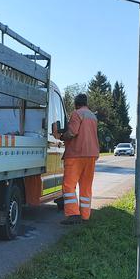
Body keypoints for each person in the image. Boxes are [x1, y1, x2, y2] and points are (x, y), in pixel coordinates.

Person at [52, 93, 99, 225]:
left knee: (68, 185)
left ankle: (73, 214)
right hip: (91, 155)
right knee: (86, 187)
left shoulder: (77, 113)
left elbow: (72, 132)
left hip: (76, 154)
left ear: (76, 103)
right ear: (86, 103)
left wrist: (61, 136)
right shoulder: (92, 116)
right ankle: (85, 216)